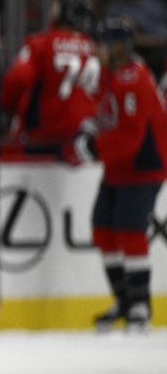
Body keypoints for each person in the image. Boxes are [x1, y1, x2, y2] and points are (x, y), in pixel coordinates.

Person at [69, 18, 167, 332]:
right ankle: (124, 301)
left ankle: (140, 305)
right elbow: (105, 116)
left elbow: (129, 137)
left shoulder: (132, 79)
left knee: (129, 232)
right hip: (120, 168)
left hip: (143, 167)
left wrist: (93, 148)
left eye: (101, 45)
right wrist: (88, 132)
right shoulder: (113, 76)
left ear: (117, 47)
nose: (97, 51)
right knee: (103, 231)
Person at [0, 0, 98, 151]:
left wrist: (7, 107)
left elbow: (17, 79)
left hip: (45, 135)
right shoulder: (97, 49)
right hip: (89, 138)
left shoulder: (41, 43)